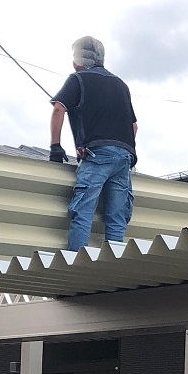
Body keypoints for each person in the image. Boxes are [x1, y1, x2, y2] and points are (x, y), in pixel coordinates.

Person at [49, 36, 138, 250]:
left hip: (98, 154)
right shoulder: (121, 84)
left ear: (77, 61)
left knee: (83, 212)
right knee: (116, 218)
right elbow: (134, 127)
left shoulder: (78, 79)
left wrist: (55, 147)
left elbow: (59, 108)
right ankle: (114, 269)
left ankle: (76, 268)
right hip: (125, 156)